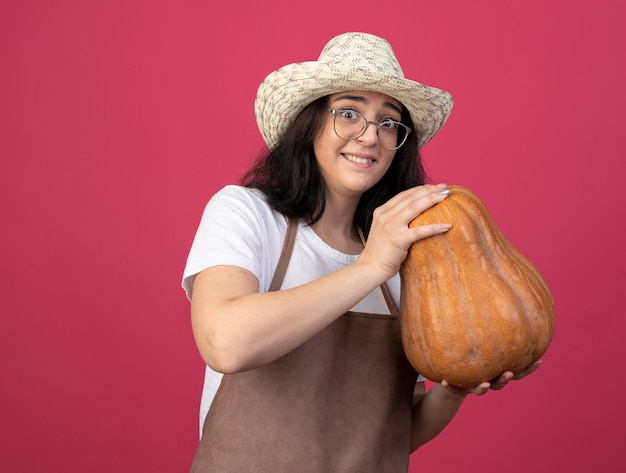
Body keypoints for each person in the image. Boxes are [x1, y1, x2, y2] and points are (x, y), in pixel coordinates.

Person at [181, 32, 540, 472]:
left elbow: (393, 432)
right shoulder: (247, 213)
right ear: (309, 122)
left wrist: (453, 388)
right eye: (348, 113)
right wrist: (370, 266)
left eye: (389, 122)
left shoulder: (410, 254)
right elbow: (226, 343)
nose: (370, 136)